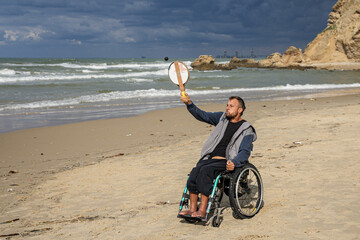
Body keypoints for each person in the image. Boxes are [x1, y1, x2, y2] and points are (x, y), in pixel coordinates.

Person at [178, 93, 257, 219]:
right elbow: (202, 115)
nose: (227, 108)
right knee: (194, 172)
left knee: (205, 171)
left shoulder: (246, 129)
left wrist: (235, 162)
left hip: (226, 161)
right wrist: (189, 103)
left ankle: (202, 210)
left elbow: (245, 151)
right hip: (209, 158)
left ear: (240, 110)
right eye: (227, 105)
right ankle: (192, 209)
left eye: (231, 106)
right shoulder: (222, 118)